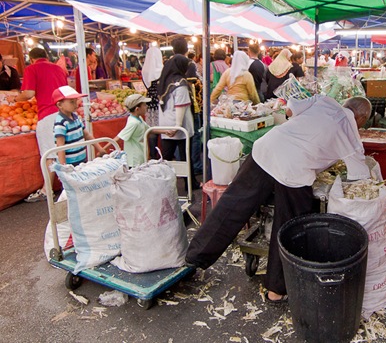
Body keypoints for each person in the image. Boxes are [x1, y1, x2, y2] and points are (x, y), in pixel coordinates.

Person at [186, 96, 372, 303]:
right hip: (294, 172)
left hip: (267, 149)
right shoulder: (351, 132)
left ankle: (194, 257)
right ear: (361, 117)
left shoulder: (324, 100)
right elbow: (359, 174)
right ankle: (276, 288)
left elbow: (291, 108)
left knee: (232, 206)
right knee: (290, 226)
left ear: (346, 104)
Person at [15, 47, 68, 201]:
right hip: (64, 111)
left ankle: (47, 190)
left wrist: (16, 99)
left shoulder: (32, 69)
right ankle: (68, 185)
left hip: (47, 114)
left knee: (49, 154)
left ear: (31, 59)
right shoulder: (58, 69)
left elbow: (29, 93)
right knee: (65, 149)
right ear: (46, 56)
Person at [157, 38, 197, 189]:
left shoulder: (164, 82)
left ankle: (162, 184)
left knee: (166, 157)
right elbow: (181, 107)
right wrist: (177, 126)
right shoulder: (180, 84)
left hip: (166, 126)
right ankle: (189, 185)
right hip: (180, 128)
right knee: (186, 157)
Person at [52, 86, 105, 166]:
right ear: (59, 105)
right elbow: (60, 146)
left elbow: (86, 134)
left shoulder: (76, 117)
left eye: (76, 101)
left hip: (81, 159)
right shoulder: (61, 122)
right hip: (70, 164)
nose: (76, 104)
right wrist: (64, 166)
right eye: (71, 102)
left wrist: (100, 149)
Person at [112, 94, 168, 167]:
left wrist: (165, 131)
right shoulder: (133, 123)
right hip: (134, 161)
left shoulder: (139, 119)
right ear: (137, 109)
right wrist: (102, 149)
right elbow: (119, 137)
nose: (146, 107)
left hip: (141, 157)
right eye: (144, 105)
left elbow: (149, 129)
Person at [141, 46, 164, 160]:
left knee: (152, 128)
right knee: (163, 127)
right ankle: (163, 153)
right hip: (160, 99)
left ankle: (153, 154)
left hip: (150, 100)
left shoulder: (144, 70)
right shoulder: (161, 69)